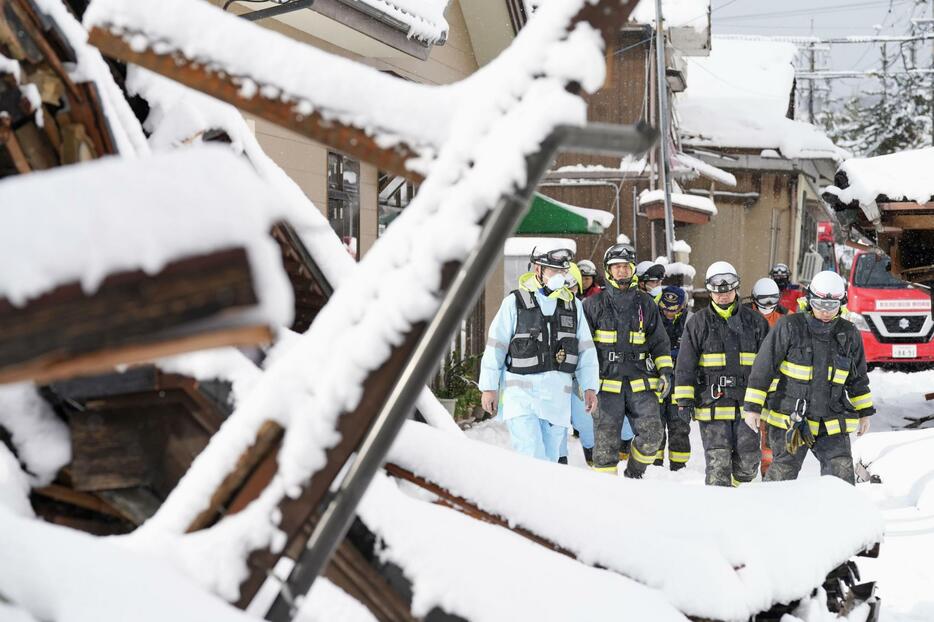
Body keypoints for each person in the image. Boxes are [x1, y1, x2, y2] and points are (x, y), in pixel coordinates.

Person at [742, 271, 874, 485]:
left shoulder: (849, 333)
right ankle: (770, 515)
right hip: (790, 419)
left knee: (840, 474)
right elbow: (764, 367)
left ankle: (838, 518)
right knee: (782, 475)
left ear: (841, 304)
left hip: (831, 421)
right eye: (819, 304)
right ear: (808, 299)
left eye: (831, 306)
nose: (824, 311)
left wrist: (865, 412)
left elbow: (857, 378)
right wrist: (752, 407)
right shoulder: (789, 326)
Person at [479, 247, 599, 461]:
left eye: (563, 272)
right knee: (531, 456)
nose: (560, 277)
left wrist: (589, 386)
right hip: (522, 400)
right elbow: (496, 347)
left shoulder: (573, 306)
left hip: (557, 401)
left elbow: (586, 351)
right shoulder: (514, 303)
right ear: (538, 270)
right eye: (554, 272)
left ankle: (540, 495)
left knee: (550, 462)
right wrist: (489, 388)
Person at [674, 262, 770, 486]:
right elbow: (685, 364)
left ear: (736, 288)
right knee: (718, 465)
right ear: (710, 291)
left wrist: (771, 399)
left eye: (727, 290)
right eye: (718, 291)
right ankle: (718, 509)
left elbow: (768, 365)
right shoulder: (697, 323)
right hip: (711, 405)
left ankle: (734, 492)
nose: (723, 295)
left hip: (747, 406)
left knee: (749, 462)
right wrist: (684, 401)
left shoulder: (756, 323)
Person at [583, 243, 672, 478]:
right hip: (606, 384)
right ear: (608, 270)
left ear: (633, 269)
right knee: (604, 449)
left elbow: (659, 343)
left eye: (626, 266)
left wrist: (665, 372)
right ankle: (606, 497)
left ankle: (634, 474)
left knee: (653, 436)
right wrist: (584, 382)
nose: (622, 271)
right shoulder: (592, 305)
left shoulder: (646, 304)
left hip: (640, 382)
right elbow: (583, 348)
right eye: (617, 267)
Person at [558, 263, 595, 465]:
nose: (568, 292)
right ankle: (560, 459)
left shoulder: (582, 308)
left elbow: (588, 345)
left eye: (572, 287)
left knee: (584, 419)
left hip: (577, 375)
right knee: (557, 421)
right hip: (556, 375)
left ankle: (592, 454)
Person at [654, 286, 691, 470]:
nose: (669, 312)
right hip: (657, 377)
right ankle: (655, 464)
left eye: (673, 309)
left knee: (679, 424)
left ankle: (679, 466)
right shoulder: (653, 318)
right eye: (666, 308)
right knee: (655, 423)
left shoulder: (690, 322)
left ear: (682, 306)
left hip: (681, 379)